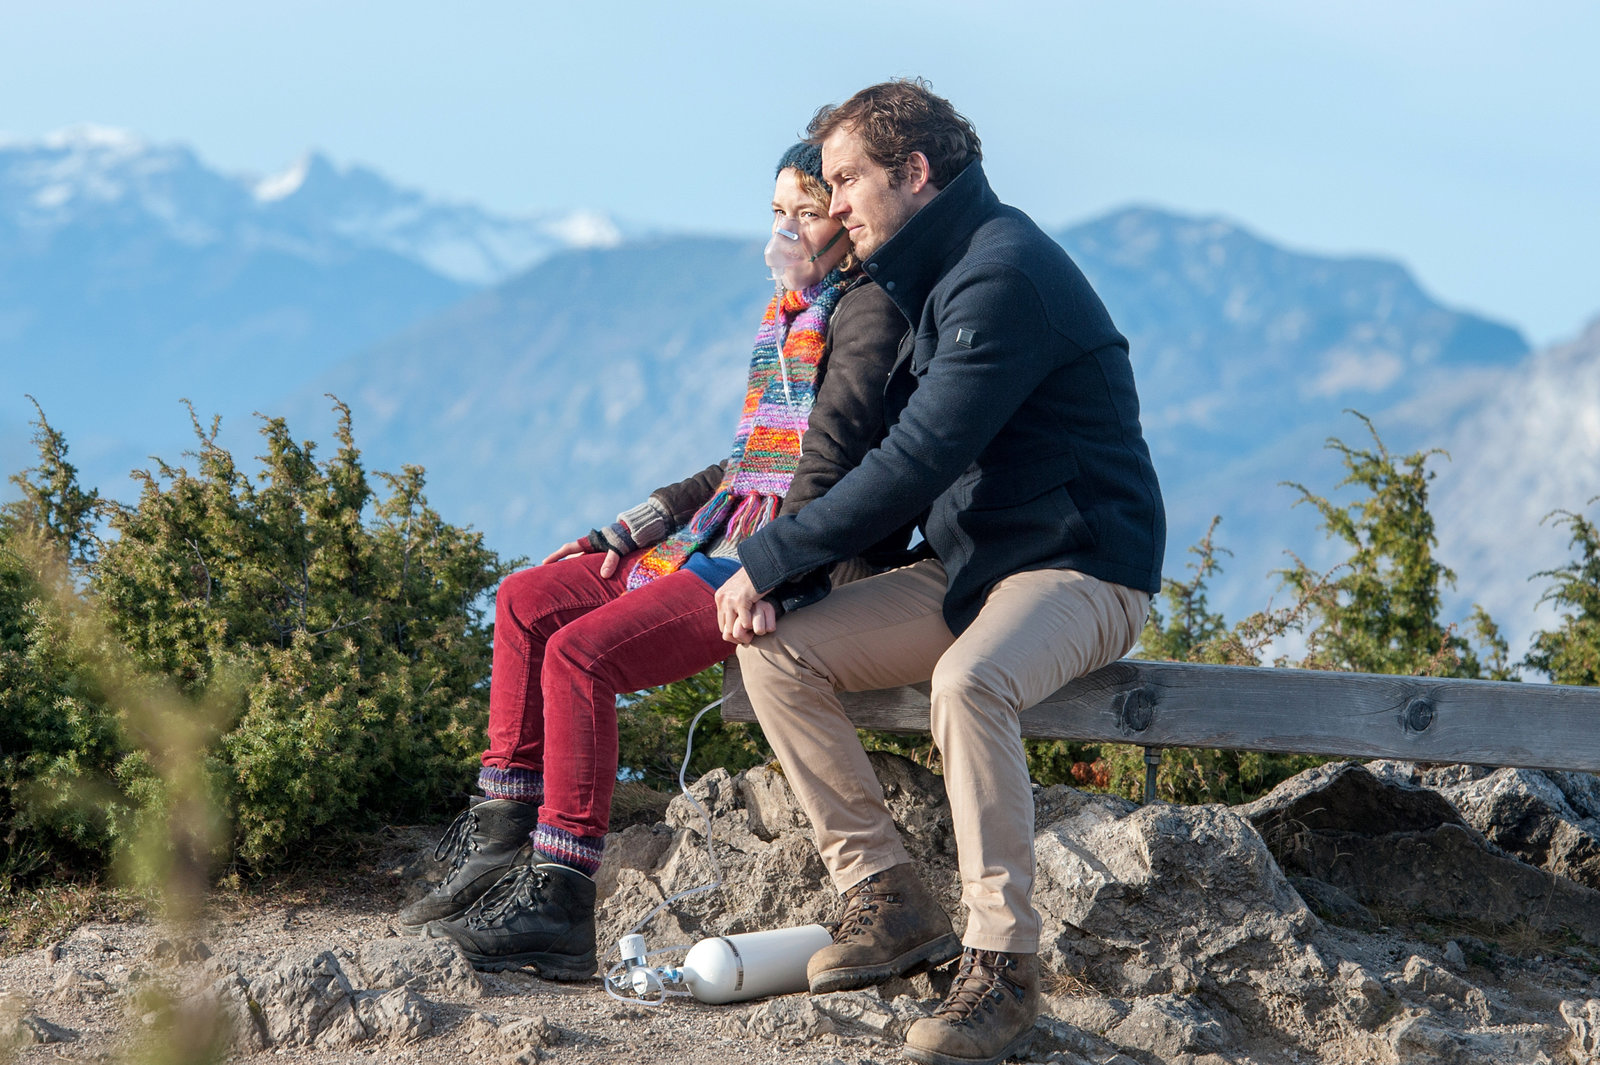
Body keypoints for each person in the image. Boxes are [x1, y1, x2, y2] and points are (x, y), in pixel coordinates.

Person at [715, 80, 1165, 1065]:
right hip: (970, 570)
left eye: (846, 180)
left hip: (1082, 567)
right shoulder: (929, 272)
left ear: (914, 172)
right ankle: (886, 896)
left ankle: (1002, 965)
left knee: (969, 683)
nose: (834, 204)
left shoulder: (1001, 273)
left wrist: (768, 557)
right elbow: (873, 455)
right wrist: (787, 582)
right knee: (778, 653)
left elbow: (917, 458)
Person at [399, 142, 909, 977]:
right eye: (777, 211)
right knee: (526, 600)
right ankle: (498, 840)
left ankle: (560, 897)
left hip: (781, 558)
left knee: (580, 655)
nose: (786, 230)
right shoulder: (790, 315)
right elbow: (748, 464)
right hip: (722, 530)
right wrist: (635, 524)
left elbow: (832, 462)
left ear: (846, 221)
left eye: (807, 212)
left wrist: (775, 569)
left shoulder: (868, 313)